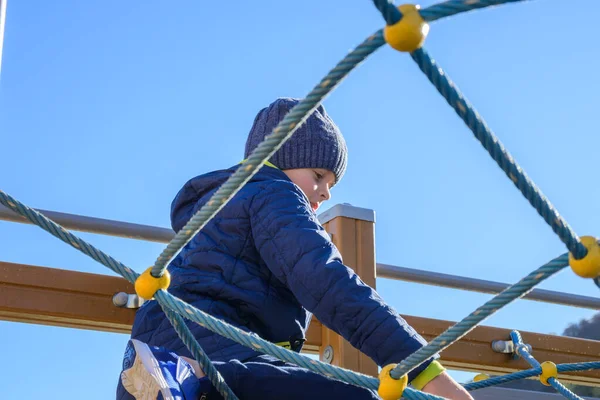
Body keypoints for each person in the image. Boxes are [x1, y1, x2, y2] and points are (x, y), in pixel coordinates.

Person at [116, 97, 473, 400]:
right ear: (276, 158)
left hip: (174, 342)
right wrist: (424, 369)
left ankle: (180, 377)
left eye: (332, 183)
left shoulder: (226, 207)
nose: (325, 192)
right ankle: (191, 376)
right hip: (207, 347)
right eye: (318, 175)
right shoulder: (274, 193)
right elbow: (327, 282)